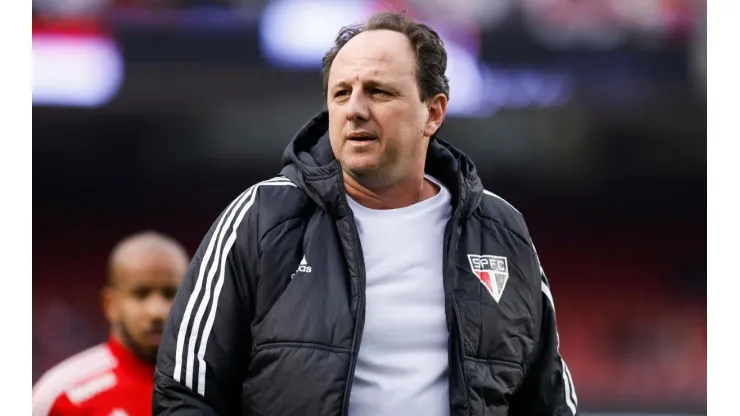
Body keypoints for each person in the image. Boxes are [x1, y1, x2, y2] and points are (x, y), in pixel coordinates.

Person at [153, 11, 578, 416]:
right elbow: (185, 392)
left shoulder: (503, 232)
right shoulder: (260, 218)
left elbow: (549, 400)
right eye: (341, 93)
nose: (355, 108)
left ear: (433, 113)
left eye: (379, 91)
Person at [32, 231, 189, 416]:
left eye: (170, 294)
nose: (156, 311)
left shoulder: (221, 387)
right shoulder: (61, 397)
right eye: (141, 294)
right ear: (110, 304)